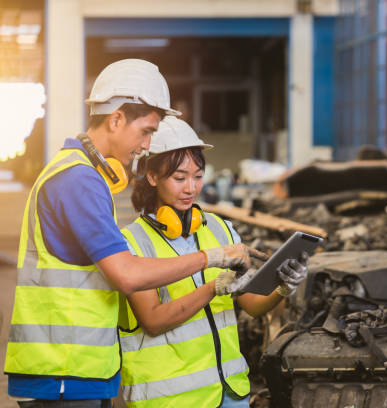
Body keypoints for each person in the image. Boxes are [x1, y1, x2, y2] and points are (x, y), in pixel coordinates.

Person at [4, 59, 264, 407]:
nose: (145, 145)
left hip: (78, 370)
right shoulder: (78, 180)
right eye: (145, 131)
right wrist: (211, 259)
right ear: (116, 119)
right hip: (64, 371)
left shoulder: (81, 177)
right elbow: (126, 275)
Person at [118, 116, 309, 407]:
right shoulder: (131, 244)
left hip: (229, 393)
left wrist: (283, 287)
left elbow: (252, 305)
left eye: (198, 176)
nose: (191, 188)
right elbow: (153, 320)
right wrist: (213, 289)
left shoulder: (219, 229)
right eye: (179, 178)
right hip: (171, 399)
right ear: (153, 177)